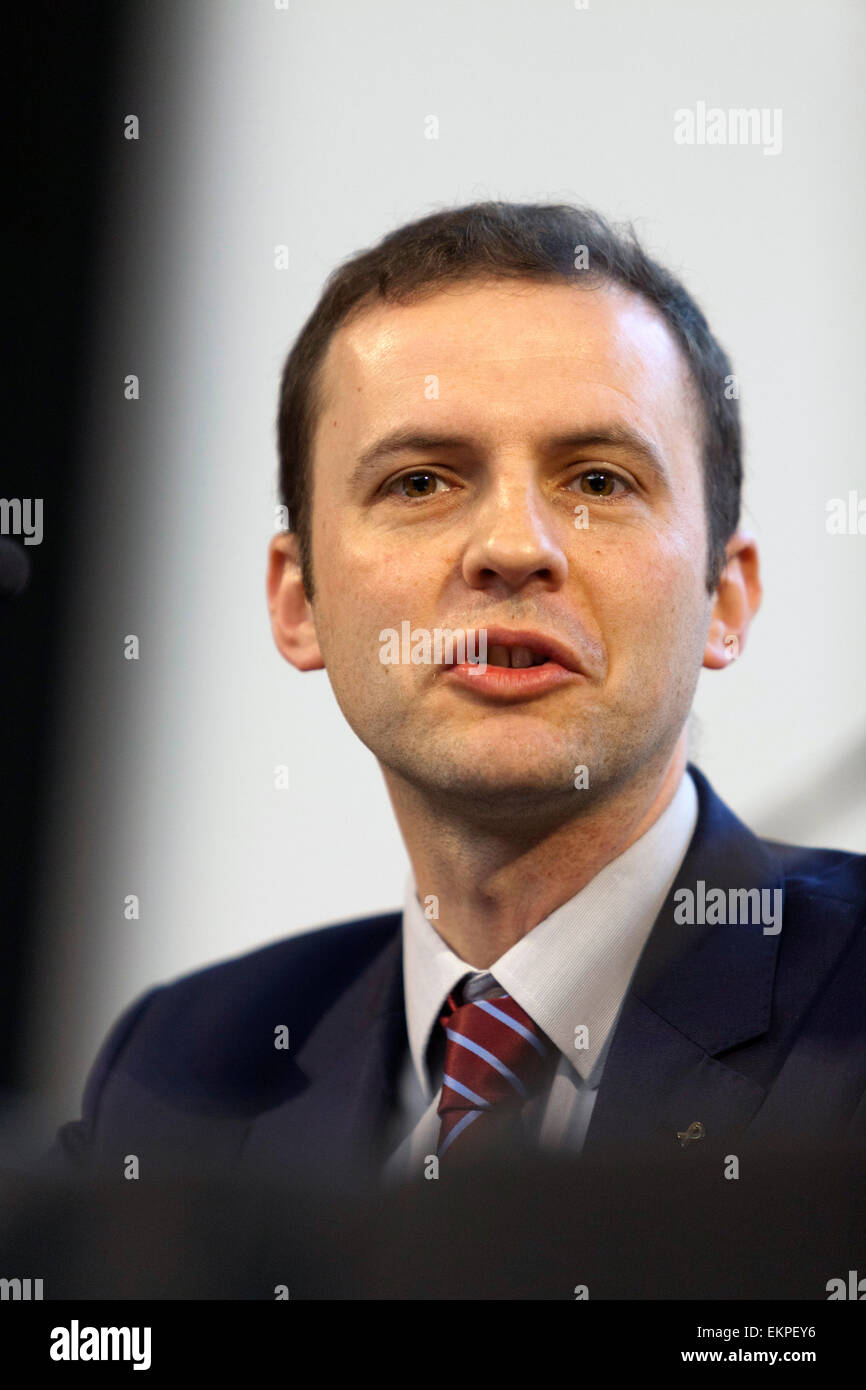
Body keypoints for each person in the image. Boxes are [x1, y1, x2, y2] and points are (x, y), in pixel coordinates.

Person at [41, 202, 865, 1206]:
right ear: (298, 602)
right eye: (420, 480)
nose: (513, 547)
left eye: (597, 479)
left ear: (723, 601)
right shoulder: (177, 1073)